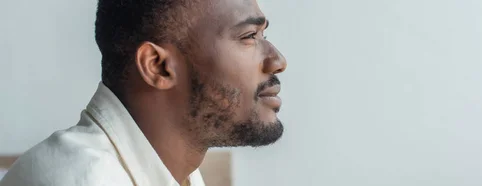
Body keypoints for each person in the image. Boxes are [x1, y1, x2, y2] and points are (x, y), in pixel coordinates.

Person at [0, 0, 287, 185]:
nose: (278, 61)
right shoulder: (81, 179)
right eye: (249, 37)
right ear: (158, 66)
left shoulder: (179, 176)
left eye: (264, 35)